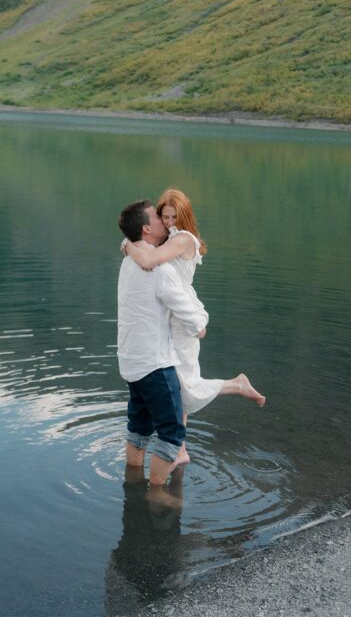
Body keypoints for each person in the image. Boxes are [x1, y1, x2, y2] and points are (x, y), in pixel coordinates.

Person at [124, 188, 265, 463]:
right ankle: (181, 450)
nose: (168, 223)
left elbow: (149, 259)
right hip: (169, 315)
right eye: (164, 217)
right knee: (178, 383)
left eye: (174, 217)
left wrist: (127, 244)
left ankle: (237, 385)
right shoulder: (168, 239)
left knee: (184, 386)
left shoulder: (183, 239)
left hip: (183, 314)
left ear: (185, 215)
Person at [117, 198, 208, 486]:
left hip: (130, 363)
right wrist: (200, 325)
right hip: (156, 366)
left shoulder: (127, 262)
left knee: (139, 427)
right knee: (171, 433)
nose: (164, 222)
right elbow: (191, 318)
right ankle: (157, 494)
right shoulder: (161, 270)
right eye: (157, 218)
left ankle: (132, 484)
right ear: (146, 229)